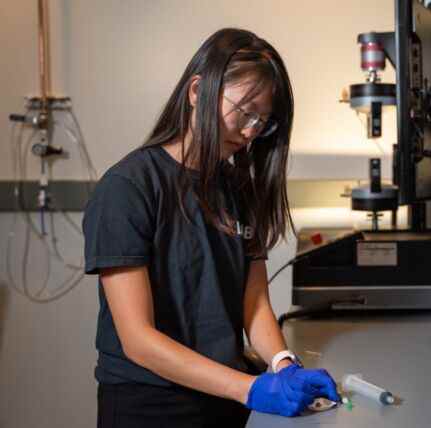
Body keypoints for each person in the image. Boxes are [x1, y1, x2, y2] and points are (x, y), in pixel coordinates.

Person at [82, 28, 340, 428]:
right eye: (246, 112)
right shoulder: (128, 187)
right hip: (151, 406)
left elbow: (252, 305)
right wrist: (250, 389)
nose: (252, 131)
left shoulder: (239, 188)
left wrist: (282, 363)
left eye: (264, 122)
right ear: (198, 91)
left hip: (225, 399)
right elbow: (138, 340)